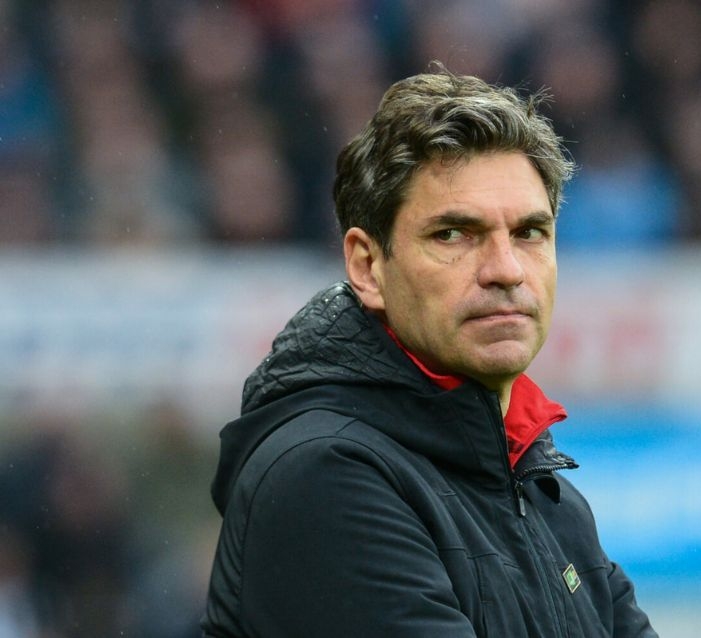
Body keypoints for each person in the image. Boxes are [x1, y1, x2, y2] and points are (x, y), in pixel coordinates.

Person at [201, 64, 658, 637]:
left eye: (529, 233)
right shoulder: (323, 476)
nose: (506, 270)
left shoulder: (552, 501)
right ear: (368, 266)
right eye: (453, 234)